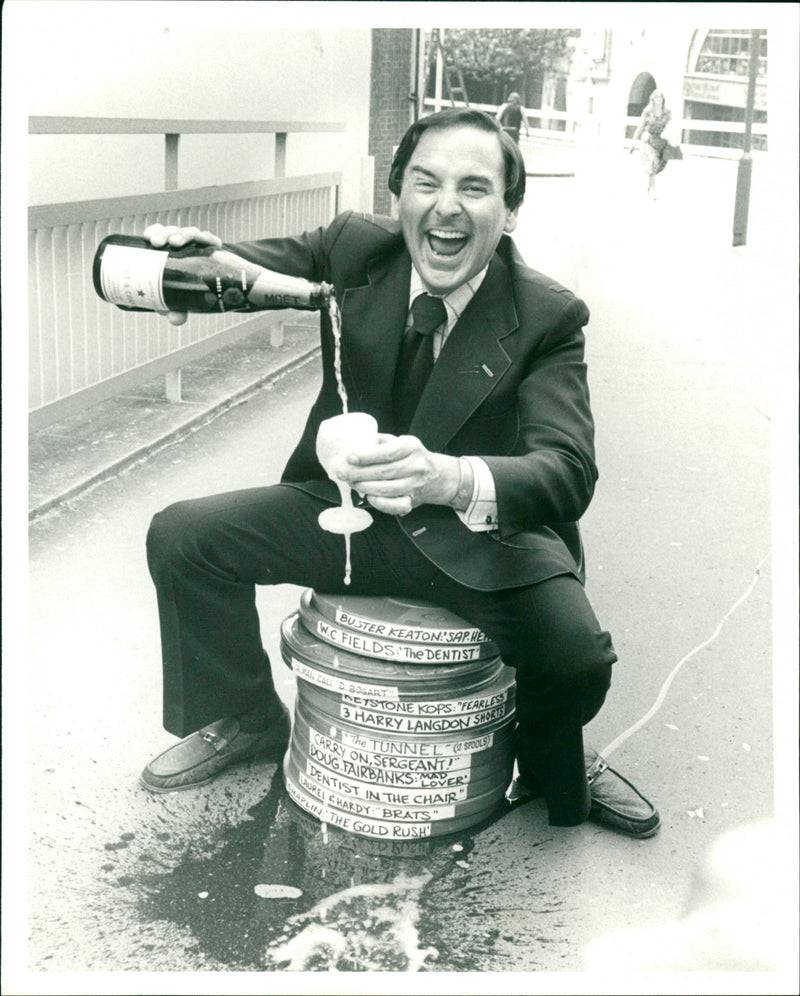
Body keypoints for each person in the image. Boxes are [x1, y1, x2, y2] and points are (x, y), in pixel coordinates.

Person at [140, 108, 660, 838]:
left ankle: (552, 758)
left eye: (475, 188)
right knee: (181, 538)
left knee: (577, 659)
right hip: (343, 513)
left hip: (476, 539)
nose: (446, 207)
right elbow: (248, 265)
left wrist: (447, 478)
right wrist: (198, 256)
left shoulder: (548, 316)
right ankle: (247, 717)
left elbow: (567, 471)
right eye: (427, 183)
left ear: (508, 212)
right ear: (398, 199)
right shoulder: (357, 249)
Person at [629, 90, 678, 199]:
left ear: (663, 99)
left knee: (657, 167)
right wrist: (633, 143)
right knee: (653, 163)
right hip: (649, 140)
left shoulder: (667, 112)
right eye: (656, 97)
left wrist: (672, 139)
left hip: (662, 142)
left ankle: (649, 187)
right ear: (653, 99)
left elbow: (671, 127)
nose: (658, 99)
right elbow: (641, 127)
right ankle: (653, 190)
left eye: (660, 97)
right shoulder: (647, 112)